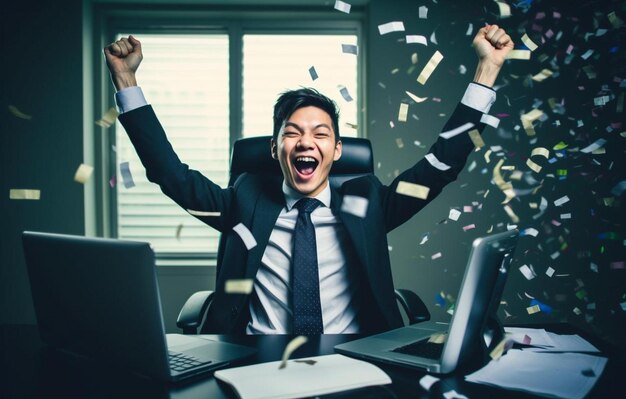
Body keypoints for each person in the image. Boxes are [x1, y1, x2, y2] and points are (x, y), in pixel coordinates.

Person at [104, 25, 513, 335]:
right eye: (292, 132)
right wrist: (126, 80)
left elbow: (441, 165)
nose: (306, 142)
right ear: (274, 148)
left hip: (351, 356)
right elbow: (169, 174)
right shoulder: (244, 201)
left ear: (337, 150)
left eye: (320, 134)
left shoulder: (365, 200)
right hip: (255, 357)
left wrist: (487, 69)